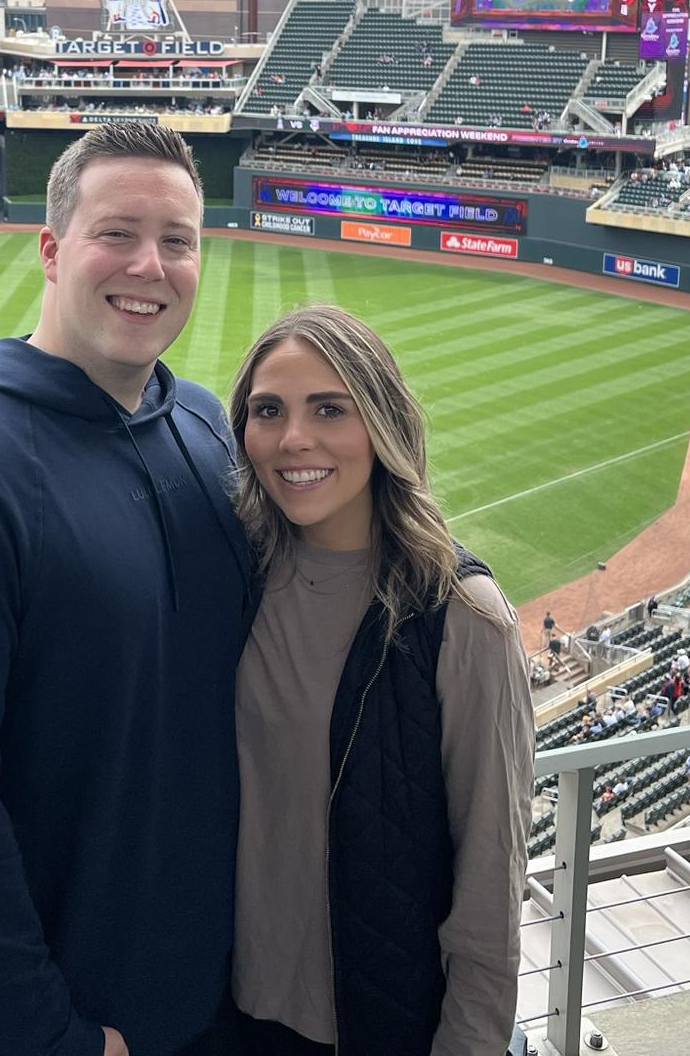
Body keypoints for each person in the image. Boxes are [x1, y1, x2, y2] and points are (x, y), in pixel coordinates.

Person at [0, 123, 252, 1056]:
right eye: (118, 232)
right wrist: (49, 1040)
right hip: (78, 1031)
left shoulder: (202, 425)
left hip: (222, 1001)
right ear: (51, 249)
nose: (150, 265)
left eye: (179, 239)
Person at [221, 305, 534, 1055]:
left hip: (375, 1027)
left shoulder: (463, 616)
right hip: (226, 1016)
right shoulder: (233, 579)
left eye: (330, 408)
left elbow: (491, 879)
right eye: (269, 411)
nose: (294, 438)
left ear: (383, 423)